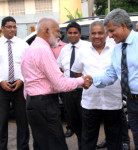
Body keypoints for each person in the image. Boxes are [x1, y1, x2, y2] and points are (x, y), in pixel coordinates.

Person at [21, 18, 92, 150]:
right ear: (47, 30)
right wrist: (82, 80)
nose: (60, 35)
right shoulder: (43, 50)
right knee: (56, 145)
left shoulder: (31, 48)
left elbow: (28, 81)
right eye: (57, 31)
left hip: (34, 103)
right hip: (44, 105)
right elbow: (60, 84)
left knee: (41, 144)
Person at [92, 8, 138, 150]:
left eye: (111, 31)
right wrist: (88, 80)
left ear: (123, 25)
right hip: (132, 103)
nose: (109, 35)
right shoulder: (117, 50)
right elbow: (111, 75)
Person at [72, 21, 123, 150]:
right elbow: (77, 71)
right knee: (88, 140)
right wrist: (83, 82)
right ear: (89, 35)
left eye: (100, 33)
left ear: (106, 34)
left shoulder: (116, 50)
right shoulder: (83, 52)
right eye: (93, 33)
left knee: (115, 139)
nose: (97, 36)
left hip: (112, 102)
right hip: (90, 102)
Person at [57, 22, 90, 150]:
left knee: (86, 122)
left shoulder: (87, 47)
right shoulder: (64, 49)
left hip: (84, 91)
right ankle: (81, 145)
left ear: (80, 34)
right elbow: (59, 68)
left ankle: (86, 146)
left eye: (75, 32)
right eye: (70, 33)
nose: (72, 35)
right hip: (69, 91)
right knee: (74, 122)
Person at [0, 16, 30, 150]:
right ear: (2, 28)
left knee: (22, 121)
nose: (12, 29)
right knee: (1, 122)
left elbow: (29, 66)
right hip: (1, 88)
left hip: (20, 87)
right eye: (9, 27)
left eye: (14, 27)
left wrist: (22, 79)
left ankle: (23, 147)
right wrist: (0, 81)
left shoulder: (23, 44)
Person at [97, 37, 130, 150]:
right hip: (103, 87)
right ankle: (108, 139)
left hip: (116, 87)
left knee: (120, 115)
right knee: (107, 117)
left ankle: (125, 141)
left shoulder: (117, 44)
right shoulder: (103, 41)